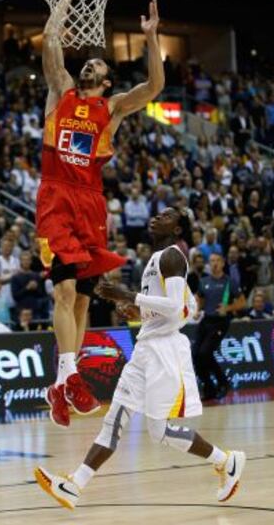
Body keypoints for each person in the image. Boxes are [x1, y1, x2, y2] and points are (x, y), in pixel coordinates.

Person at [34, 209, 246, 509]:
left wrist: (129, 295)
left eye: (168, 216)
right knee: (113, 421)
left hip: (165, 352)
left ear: (178, 230)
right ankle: (73, 485)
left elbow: (174, 309)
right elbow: (173, 308)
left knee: (159, 431)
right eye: (158, 214)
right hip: (145, 348)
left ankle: (226, 460)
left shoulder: (173, 257)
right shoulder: (155, 260)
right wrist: (136, 311)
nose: (157, 217)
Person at [36, 0, 165, 427]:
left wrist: (150, 38)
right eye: (87, 60)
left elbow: (154, 85)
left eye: (97, 63)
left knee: (83, 300)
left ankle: (60, 382)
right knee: (64, 290)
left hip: (90, 203)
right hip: (55, 196)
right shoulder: (62, 92)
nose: (88, 63)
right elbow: (51, 42)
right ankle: (70, 377)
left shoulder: (111, 109)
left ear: (107, 81)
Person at [194, 254, 246, 400]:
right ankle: (209, 387)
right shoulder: (204, 281)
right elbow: (199, 298)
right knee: (195, 355)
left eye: (217, 261)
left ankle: (223, 383)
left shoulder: (230, 282)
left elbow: (242, 302)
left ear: (223, 263)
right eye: (211, 261)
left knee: (205, 353)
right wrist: (197, 310)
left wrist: (228, 307)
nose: (214, 263)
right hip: (205, 320)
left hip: (220, 322)